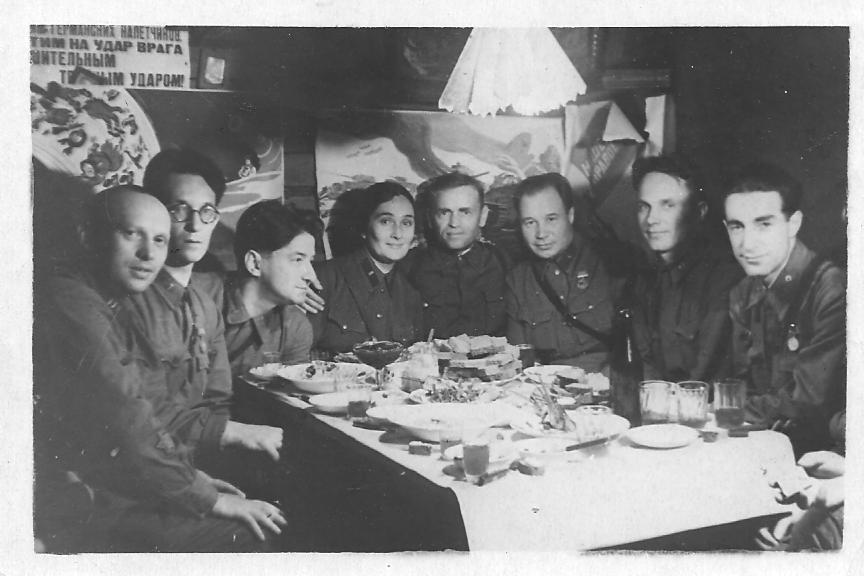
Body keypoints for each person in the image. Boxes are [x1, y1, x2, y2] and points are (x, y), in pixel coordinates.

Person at [33, 186, 285, 552]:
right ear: (90, 235)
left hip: (106, 482)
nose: (148, 254)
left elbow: (152, 406)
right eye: (131, 233)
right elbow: (127, 416)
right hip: (72, 496)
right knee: (258, 532)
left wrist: (193, 480)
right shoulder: (72, 299)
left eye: (160, 239)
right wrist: (208, 498)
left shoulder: (116, 298)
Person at [127, 148, 283, 470]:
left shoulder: (203, 305)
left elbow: (217, 399)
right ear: (155, 213)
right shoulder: (132, 301)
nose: (196, 225)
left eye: (208, 211)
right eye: (179, 211)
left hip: (196, 462)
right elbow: (139, 414)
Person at [723, 163, 846, 455]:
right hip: (767, 444)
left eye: (764, 224)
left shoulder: (831, 287)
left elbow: (809, 399)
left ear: (793, 224)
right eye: (737, 226)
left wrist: (721, 412)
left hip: (828, 456)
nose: (747, 243)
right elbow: (742, 384)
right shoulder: (743, 293)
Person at [627, 155, 743, 382]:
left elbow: (705, 377)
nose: (651, 219)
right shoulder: (645, 279)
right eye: (644, 207)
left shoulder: (724, 278)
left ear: (699, 212)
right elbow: (644, 365)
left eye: (667, 205)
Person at [505, 173, 615, 371]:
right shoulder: (518, 281)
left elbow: (640, 349)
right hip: (549, 389)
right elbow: (519, 359)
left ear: (570, 215)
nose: (541, 234)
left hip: (609, 384)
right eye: (530, 222)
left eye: (551, 219)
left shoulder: (609, 262)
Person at [311, 181, 423, 355]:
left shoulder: (411, 291)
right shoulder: (325, 279)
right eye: (386, 221)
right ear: (364, 227)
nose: (398, 234)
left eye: (406, 223)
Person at [404, 172, 509, 338]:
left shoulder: (503, 263)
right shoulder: (409, 268)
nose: (454, 223)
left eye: (465, 212)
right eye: (445, 212)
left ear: (482, 216)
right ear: (431, 218)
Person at [222, 200, 318, 375]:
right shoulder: (203, 308)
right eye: (297, 259)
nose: (310, 275)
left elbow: (289, 397)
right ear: (255, 263)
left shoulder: (295, 326)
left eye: (310, 261)